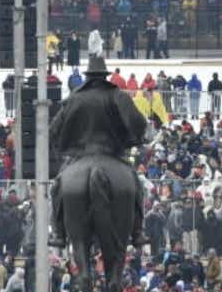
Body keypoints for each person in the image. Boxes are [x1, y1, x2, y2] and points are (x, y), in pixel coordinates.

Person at [48, 54, 149, 247]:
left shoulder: (75, 97)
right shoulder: (118, 95)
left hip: (81, 155)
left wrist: (64, 146)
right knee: (136, 185)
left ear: (87, 76)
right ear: (105, 76)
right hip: (112, 153)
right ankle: (137, 231)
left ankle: (59, 232)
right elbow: (138, 123)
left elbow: (53, 130)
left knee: (57, 187)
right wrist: (134, 139)